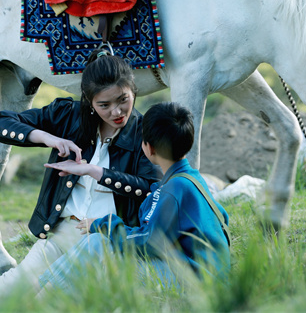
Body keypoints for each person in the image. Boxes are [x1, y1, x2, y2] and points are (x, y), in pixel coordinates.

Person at [0, 49, 162, 311]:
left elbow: (150, 189)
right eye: (104, 105)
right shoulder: (68, 115)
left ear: (133, 90)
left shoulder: (144, 131)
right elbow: (0, 123)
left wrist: (95, 172)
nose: (117, 111)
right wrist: (46, 137)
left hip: (107, 240)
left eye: (122, 99)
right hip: (64, 233)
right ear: (90, 102)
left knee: (44, 299)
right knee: (13, 285)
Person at [36, 102, 230, 295]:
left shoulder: (173, 189)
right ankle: (42, 291)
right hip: (208, 276)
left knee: (98, 243)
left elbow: (149, 242)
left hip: (196, 285)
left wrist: (105, 223)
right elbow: (223, 218)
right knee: (99, 243)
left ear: (149, 148)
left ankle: (42, 298)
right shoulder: (191, 178)